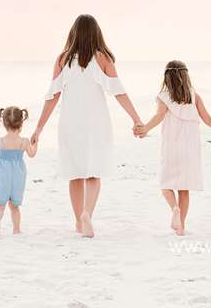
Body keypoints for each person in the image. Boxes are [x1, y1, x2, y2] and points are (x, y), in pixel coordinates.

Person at [31, 14, 143, 238]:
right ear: (96, 33)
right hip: (96, 123)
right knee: (94, 172)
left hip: (71, 123)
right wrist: (136, 118)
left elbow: (52, 96)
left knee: (75, 174)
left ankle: (78, 222)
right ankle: (87, 215)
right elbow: (119, 91)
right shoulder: (103, 58)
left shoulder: (63, 59)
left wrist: (39, 128)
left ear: (73, 33)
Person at [136, 60, 211, 235]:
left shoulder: (163, 96)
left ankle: (174, 208)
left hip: (172, 145)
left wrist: (144, 128)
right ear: (186, 76)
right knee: (184, 188)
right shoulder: (194, 96)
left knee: (166, 184)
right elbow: (207, 119)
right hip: (190, 147)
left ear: (166, 77)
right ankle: (181, 226)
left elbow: (159, 116)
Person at [0, 106, 38, 237]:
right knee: (14, 206)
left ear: (3, 123)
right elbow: (32, 154)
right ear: (21, 123)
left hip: (3, 176)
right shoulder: (24, 141)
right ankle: (16, 229)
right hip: (18, 176)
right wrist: (35, 144)